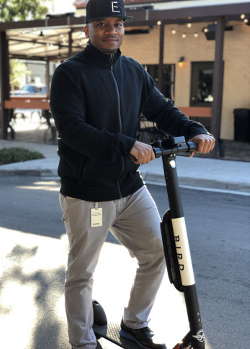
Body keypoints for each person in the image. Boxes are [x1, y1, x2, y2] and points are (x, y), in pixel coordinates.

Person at [50, 0, 215, 348]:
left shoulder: (133, 70)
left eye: (118, 24)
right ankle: (83, 343)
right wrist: (125, 144)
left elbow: (162, 109)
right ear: (87, 30)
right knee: (81, 273)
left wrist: (194, 129)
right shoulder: (69, 73)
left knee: (157, 253)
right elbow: (73, 129)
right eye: (103, 24)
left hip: (129, 185)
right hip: (87, 191)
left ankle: (134, 325)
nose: (112, 31)